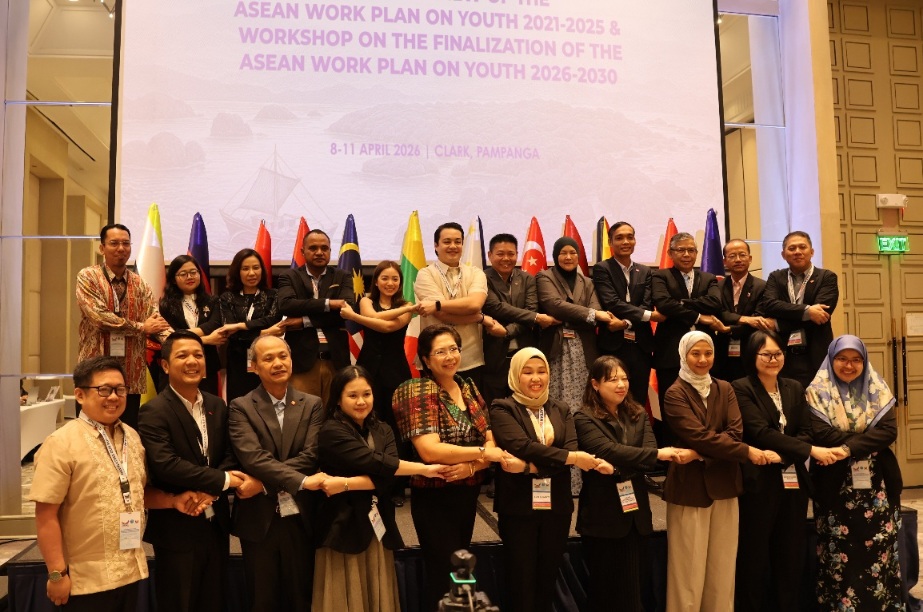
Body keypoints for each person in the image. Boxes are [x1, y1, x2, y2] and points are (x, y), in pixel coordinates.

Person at [30, 356, 202, 610]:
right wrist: (57, 574)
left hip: (129, 571)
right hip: (84, 580)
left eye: (120, 390)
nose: (114, 397)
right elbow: (46, 515)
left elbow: (137, 492)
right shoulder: (60, 443)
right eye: (104, 390)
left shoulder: (132, 437)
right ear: (79, 395)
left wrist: (172, 501)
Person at [138, 331, 262, 612]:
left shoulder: (217, 404)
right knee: (179, 603)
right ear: (165, 365)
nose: (192, 361)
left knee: (213, 600)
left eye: (198, 355)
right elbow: (166, 464)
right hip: (176, 528)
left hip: (215, 522)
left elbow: (230, 453)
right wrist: (223, 481)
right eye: (182, 355)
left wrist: (212, 492)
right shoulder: (153, 411)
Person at [312, 365, 449, 612]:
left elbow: (389, 479)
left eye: (367, 394)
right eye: (352, 395)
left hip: (378, 522)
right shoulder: (331, 431)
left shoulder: (383, 428)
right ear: (338, 399)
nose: (361, 401)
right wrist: (422, 468)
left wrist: (344, 484)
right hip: (343, 525)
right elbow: (376, 463)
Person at [662, 331, 780, 612]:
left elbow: (734, 433)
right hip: (690, 489)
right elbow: (699, 436)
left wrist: (697, 454)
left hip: (726, 486)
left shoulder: (725, 388)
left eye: (708, 353)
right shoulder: (674, 393)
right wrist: (744, 452)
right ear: (683, 355)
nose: (703, 359)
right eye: (695, 354)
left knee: (723, 571)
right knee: (688, 575)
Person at [392, 324, 507, 610]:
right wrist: (482, 455)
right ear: (426, 359)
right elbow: (430, 451)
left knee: (460, 569)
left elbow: (490, 437)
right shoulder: (415, 389)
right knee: (442, 572)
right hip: (435, 497)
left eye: (454, 349)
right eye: (440, 352)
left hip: (467, 494)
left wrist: (472, 467)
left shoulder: (467, 386)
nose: (450, 356)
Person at [489, 348, 612, 612]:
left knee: (548, 577)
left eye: (542, 371)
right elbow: (522, 446)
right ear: (515, 375)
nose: (536, 378)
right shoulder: (502, 407)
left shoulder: (561, 408)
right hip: (518, 507)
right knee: (521, 578)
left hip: (557, 506)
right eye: (528, 372)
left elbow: (569, 449)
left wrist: (527, 467)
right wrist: (570, 458)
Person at [732, 331, 841, 612]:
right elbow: (760, 432)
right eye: (766, 354)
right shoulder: (741, 388)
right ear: (752, 356)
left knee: (790, 555)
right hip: (759, 481)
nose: (773, 359)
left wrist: (784, 454)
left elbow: (806, 431)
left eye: (778, 353)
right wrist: (807, 450)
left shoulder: (794, 386)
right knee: (754, 555)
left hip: (793, 480)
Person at [228, 335, 328, 611]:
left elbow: (311, 457)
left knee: (302, 598)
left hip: (301, 514)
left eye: (283, 356)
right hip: (259, 518)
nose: (278, 363)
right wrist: (301, 481)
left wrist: (263, 485)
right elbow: (253, 459)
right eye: (268, 358)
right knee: (263, 600)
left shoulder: (312, 403)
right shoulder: (240, 406)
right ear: (254, 366)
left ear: (291, 361)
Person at [574, 355, 681, 612]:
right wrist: (652, 455)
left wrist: (619, 466)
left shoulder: (638, 413)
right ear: (595, 384)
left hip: (637, 513)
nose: (621, 385)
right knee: (604, 592)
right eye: (613, 380)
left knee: (635, 590)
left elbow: (647, 460)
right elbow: (606, 450)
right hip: (602, 516)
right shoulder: (583, 417)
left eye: (624, 378)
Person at [807, 335, 903, 610]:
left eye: (855, 360)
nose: (849, 365)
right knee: (837, 549)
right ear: (831, 359)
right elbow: (821, 433)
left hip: (878, 484)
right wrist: (864, 441)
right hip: (833, 484)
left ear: (864, 361)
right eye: (842, 359)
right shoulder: (816, 391)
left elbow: (888, 431)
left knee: (879, 546)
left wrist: (847, 448)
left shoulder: (878, 389)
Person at [75, 223, 170, 428]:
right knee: (89, 433)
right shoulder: (88, 277)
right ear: (102, 248)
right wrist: (140, 327)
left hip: (130, 374)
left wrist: (181, 343)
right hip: (94, 370)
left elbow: (156, 321)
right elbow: (99, 317)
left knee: (127, 431)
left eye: (126, 243)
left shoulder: (140, 284)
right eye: (114, 243)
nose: (121, 248)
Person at [339, 260, 415, 504]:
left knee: (395, 427)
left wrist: (353, 317)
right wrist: (359, 315)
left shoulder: (406, 305)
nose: (390, 283)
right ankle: (370, 481)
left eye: (395, 279)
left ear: (400, 283)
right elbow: (375, 318)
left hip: (396, 372)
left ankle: (396, 486)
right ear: (376, 281)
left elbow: (386, 327)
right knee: (368, 423)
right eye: (385, 278)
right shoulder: (366, 301)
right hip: (368, 370)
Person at [415, 222, 501, 391]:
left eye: (458, 242)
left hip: (470, 358)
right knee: (435, 407)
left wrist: (438, 304)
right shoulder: (425, 274)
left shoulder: (475, 273)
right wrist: (479, 318)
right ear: (436, 246)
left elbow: (474, 304)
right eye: (447, 242)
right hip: (435, 360)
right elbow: (441, 316)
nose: (453, 246)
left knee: (469, 406)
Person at [277, 229, 356, 405]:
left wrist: (304, 321)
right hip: (302, 363)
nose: (319, 252)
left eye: (324, 248)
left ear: (330, 251)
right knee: (302, 415)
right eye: (313, 248)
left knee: (335, 414)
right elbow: (287, 305)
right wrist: (329, 304)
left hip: (335, 361)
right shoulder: (289, 276)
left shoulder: (342, 276)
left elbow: (345, 311)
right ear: (302, 251)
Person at [480, 233, 558, 405]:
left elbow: (531, 310)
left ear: (517, 255)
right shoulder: (482, 278)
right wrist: (534, 317)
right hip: (494, 356)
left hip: (525, 353)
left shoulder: (527, 278)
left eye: (511, 254)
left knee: (526, 406)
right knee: (495, 405)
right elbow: (495, 307)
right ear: (490, 255)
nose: (506, 258)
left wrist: (506, 331)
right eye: (500, 254)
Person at [651, 232, 725, 409]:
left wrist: (682, 303)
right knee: (672, 406)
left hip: (704, 355)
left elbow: (715, 303)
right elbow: (664, 304)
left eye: (691, 250)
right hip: (670, 353)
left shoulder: (708, 278)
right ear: (670, 253)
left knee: (705, 406)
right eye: (681, 250)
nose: (686, 254)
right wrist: (699, 316)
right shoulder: (660, 276)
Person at [593, 222, 664, 404]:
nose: (625, 242)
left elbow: (646, 304)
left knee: (638, 400)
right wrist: (646, 316)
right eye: (619, 238)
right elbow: (612, 303)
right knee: (613, 400)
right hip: (613, 346)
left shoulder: (645, 271)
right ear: (610, 242)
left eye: (629, 237)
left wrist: (626, 323)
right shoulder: (602, 269)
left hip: (641, 346)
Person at [759, 230, 839, 387]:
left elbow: (821, 316)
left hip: (815, 355)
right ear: (783, 254)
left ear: (812, 251)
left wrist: (778, 324)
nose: (797, 252)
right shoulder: (776, 277)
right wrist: (807, 311)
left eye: (802, 247)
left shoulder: (827, 277)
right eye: (792, 248)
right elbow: (769, 304)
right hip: (782, 354)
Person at [217, 248, 286, 403]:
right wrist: (265, 333)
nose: (251, 273)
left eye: (256, 268)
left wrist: (241, 326)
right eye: (245, 269)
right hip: (238, 358)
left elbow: (272, 320)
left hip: (267, 357)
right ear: (237, 272)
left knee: (268, 402)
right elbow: (232, 333)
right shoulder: (227, 298)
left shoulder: (273, 295)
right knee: (239, 402)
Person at [157, 254, 228, 395]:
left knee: (208, 403)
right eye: (183, 274)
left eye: (193, 272)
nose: (189, 277)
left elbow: (213, 325)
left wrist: (181, 334)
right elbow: (171, 337)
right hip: (179, 364)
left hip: (207, 364)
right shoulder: (166, 305)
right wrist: (206, 339)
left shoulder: (213, 301)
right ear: (174, 279)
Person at [712, 239, 773, 383]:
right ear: (725, 261)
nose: (738, 259)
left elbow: (758, 320)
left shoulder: (763, 286)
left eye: (742, 255)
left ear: (750, 259)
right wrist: (744, 319)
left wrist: (728, 329)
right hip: (722, 352)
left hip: (752, 350)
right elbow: (719, 313)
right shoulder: (717, 286)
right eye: (732, 256)